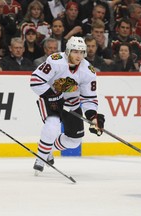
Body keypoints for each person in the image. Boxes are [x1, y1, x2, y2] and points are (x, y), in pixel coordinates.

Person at [30, 36, 105, 174]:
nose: (79, 56)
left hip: (72, 104)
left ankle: (48, 150)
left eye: (82, 52)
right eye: (75, 52)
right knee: (52, 126)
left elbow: (89, 98)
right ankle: (40, 158)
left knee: (74, 141)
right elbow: (35, 81)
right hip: (50, 99)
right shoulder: (55, 61)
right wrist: (53, 96)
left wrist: (93, 117)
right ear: (68, 51)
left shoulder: (88, 71)